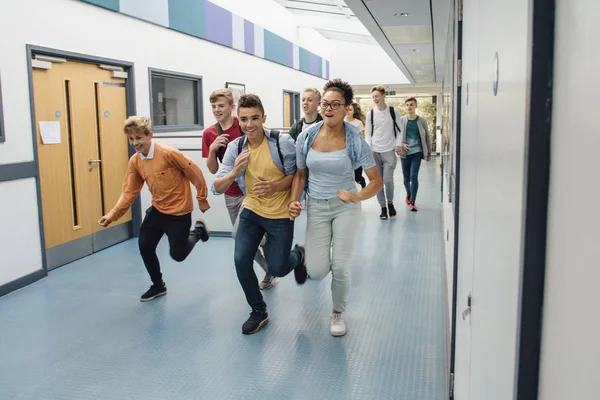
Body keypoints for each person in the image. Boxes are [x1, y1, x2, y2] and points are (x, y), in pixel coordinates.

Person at [289, 79, 383, 336]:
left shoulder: (356, 142)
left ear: (346, 108)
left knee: (340, 266)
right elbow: (300, 174)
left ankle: (337, 312)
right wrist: (294, 200)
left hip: (345, 206)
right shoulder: (306, 137)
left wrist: (357, 196)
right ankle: (307, 254)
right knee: (317, 271)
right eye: (325, 104)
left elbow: (376, 181)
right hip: (317, 206)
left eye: (335, 105)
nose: (328, 109)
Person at [212, 94, 307, 335]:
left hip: (279, 213)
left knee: (278, 267)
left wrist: (276, 187)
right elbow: (217, 186)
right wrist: (234, 172)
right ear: (238, 120)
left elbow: (295, 175)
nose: (249, 124)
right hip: (252, 209)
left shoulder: (281, 142)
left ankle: (299, 255)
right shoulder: (236, 147)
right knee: (241, 260)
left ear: (264, 118)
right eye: (244, 119)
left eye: (255, 118)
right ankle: (259, 311)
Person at [98, 116, 210, 302]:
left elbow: (195, 172)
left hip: (179, 212)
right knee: (145, 245)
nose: (135, 143)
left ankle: (198, 231)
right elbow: (129, 192)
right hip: (158, 210)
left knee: (178, 255)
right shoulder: (135, 161)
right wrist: (112, 215)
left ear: (149, 135)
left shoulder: (168, 154)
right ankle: (158, 285)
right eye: (131, 139)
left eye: (139, 138)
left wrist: (202, 198)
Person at [202, 89, 272, 289]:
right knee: (241, 237)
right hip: (231, 193)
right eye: (214, 106)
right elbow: (214, 170)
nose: (217, 110)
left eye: (221, 105)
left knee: (241, 234)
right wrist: (213, 149)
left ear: (232, 107)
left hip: (252, 190)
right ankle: (269, 268)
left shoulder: (243, 124)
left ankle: (272, 264)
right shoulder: (209, 134)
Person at [365, 86, 402, 220]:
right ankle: (383, 208)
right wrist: (370, 149)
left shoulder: (393, 111)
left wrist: (398, 144)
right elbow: (368, 133)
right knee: (378, 182)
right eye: (373, 97)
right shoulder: (370, 114)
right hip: (375, 151)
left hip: (389, 150)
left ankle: (390, 203)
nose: (375, 99)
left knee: (387, 180)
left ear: (383, 96)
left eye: (377, 96)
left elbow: (399, 130)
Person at [396, 97, 432, 212]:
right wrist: (402, 144)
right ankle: (409, 193)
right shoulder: (401, 120)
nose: (409, 107)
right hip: (405, 153)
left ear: (416, 106)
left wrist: (428, 153)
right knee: (406, 179)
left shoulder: (421, 121)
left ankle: (412, 201)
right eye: (407, 105)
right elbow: (396, 136)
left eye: (411, 105)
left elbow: (426, 137)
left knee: (413, 177)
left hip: (417, 152)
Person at [345, 102, 367, 188]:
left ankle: (361, 181)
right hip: (345, 152)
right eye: (347, 109)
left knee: (357, 177)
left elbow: (362, 138)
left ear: (354, 111)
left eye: (350, 110)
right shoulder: (341, 121)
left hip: (356, 153)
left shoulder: (358, 123)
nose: (348, 112)